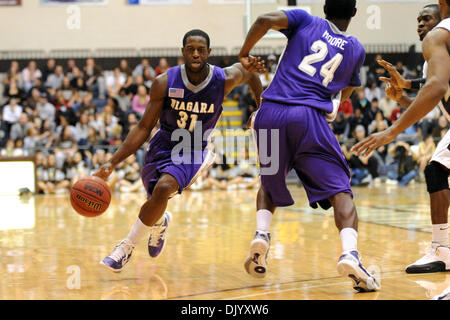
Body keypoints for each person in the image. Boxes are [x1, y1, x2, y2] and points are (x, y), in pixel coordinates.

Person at [238, 0, 380, 292]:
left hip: (270, 111)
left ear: (325, 7)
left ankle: (262, 235)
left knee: (270, 178)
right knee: (341, 190)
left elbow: (264, 19)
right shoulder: (355, 48)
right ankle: (350, 253)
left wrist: (244, 53)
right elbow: (346, 89)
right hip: (307, 117)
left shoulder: (304, 19)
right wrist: (332, 105)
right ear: (353, 13)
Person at [94, 29, 264, 272]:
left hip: (195, 147)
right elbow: (143, 127)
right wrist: (112, 162)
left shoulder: (223, 79)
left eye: (201, 50)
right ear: (183, 51)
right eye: (190, 49)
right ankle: (159, 222)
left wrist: (262, 107)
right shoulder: (164, 82)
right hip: (163, 144)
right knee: (155, 198)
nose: (196, 54)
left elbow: (249, 72)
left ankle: (126, 248)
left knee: (163, 188)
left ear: (209, 53)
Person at [352, 0, 450, 291]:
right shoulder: (435, 51)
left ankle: (442, 249)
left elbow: (436, 87)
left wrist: (391, 131)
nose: (421, 24)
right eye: (418, 19)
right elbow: (432, 95)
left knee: (436, 169)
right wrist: (405, 94)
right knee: (436, 170)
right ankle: (442, 249)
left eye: (427, 18)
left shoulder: (439, 36)